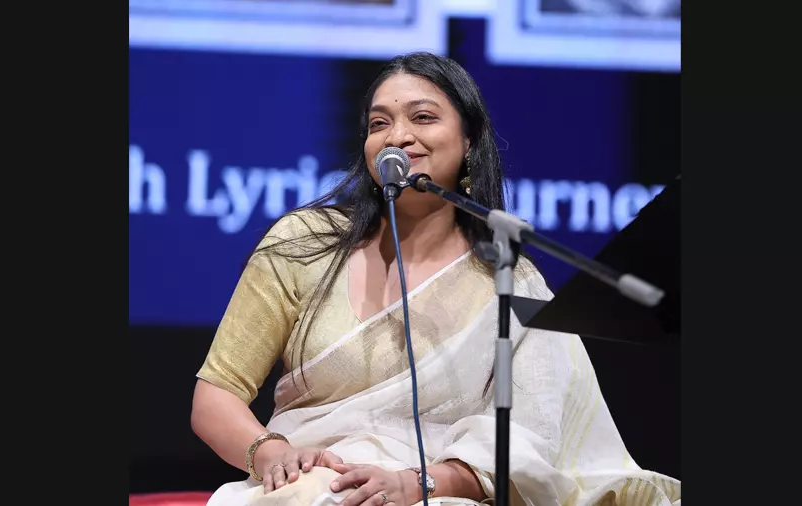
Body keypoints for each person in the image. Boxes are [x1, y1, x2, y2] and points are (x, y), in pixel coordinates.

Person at [191, 52, 681, 506]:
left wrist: (418, 482)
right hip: (309, 486)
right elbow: (216, 395)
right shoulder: (304, 241)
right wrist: (272, 453)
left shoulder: (510, 279)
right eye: (379, 123)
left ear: (469, 141)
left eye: (423, 117)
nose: (397, 136)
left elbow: (528, 438)